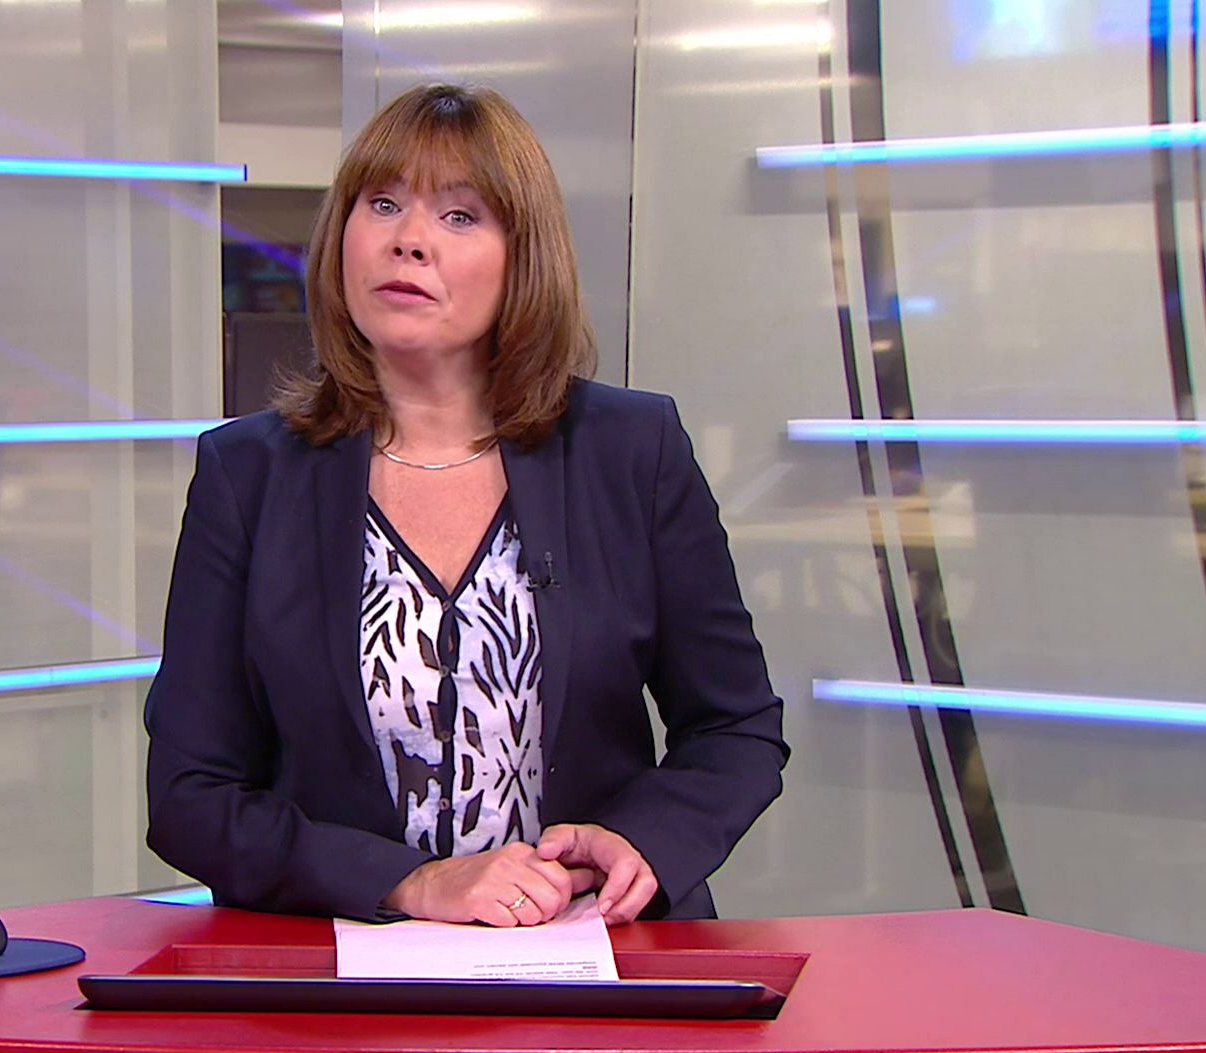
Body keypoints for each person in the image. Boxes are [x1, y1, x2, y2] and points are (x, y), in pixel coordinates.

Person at [145, 83, 787, 927]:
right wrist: (409, 881)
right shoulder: (248, 474)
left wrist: (646, 841)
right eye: (382, 205)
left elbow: (736, 727)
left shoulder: (633, 450)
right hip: (343, 959)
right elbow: (191, 794)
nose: (408, 240)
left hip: (589, 944)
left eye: (458, 216)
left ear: (525, 258)